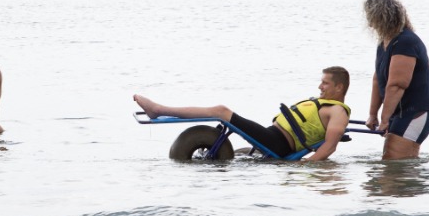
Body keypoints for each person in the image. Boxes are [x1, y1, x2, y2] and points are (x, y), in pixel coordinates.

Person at [134, 67, 353, 161]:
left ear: (339, 88)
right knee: (223, 114)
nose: (319, 87)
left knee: (221, 111)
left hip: (278, 144)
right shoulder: (324, 104)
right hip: (271, 136)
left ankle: (158, 110)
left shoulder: (337, 112)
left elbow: (330, 145)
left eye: (325, 83)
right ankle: (159, 109)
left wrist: (310, 164)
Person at [362, 0, 429, 160]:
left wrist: (384, 120)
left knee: (393, 161)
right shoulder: (383, 43)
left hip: (417, 109)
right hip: (400, 110)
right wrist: (372, 114)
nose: (369, 24)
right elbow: (378, 79)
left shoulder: (406, 42)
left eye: (371, 18)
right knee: (399, 162)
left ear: (381, 17)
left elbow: (397, 84)